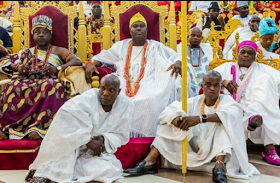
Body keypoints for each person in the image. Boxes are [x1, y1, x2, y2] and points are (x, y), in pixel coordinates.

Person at [124, 71, 260, 183]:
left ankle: (219, 167)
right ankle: (150, 162)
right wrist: (176, 120)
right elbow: (169, 110)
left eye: (216, 85)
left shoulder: (227, 101)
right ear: (203, 85)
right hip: (195, 146)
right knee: (169, 123)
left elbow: (232, 114)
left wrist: (200, 119)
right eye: (208, 85)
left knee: (224, 123)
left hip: (217, 149)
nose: (212, 88)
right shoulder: (195, 100)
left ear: (220, 87)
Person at [85, 12, 182, 137]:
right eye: (135, 26)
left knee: (151, 100)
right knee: (119, 99)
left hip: (149, 82)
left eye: (142, 26)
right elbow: (102, 57)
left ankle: (147, 136)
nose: (138, 28)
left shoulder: (155, 46)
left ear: (146, 30)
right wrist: (90, 63)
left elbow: (176, 56)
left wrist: (178, 62)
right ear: (130, 31)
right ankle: (119, 135)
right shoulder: (121, 46)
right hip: (124, 83)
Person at [25, 74, 134, 183]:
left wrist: (102, 139)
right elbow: (66, 117)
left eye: (111, 90)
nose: (105, 93)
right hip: (73, 146)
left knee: (110, 169)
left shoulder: (125, 105)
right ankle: (47, 172)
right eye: (103, 88)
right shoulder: (88, 98)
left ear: (118, 92)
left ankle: (63, 173)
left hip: (93, 151)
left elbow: (121, 135)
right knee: (63, 156)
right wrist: (87, 140)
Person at [0, 15, 82, 140]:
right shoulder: (26, 52)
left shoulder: (58, 50)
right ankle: (10, 129)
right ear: (33, 35)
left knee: (50, 86)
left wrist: (58, 68)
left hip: (50, 80)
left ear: (50, 35)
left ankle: (39, 129)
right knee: (13, 86)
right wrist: (19, 67)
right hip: (28, 80)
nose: (41, 35)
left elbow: (76, 60)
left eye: (45, 32)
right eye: (37, 32)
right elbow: (8, 60)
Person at [214, 40, 280, 166]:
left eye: (250, 53)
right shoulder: (226, 67)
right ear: (237, 54)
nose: (246, 55)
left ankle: (269, 148)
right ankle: (252, 120)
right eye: (242, 52)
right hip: (232, 105)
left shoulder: (264, 69)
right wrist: (222, 83)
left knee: (266, 82)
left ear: (255, 56)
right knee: (239, 107)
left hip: (258, 106)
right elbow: (206, 79)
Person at [177, 27, 213, 97]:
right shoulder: (180, 48)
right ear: (188, 37)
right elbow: (174, 58)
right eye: (193, 35)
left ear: (201, 38)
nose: (195, 38)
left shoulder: (208, 49)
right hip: (187, 82)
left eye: (198, 36)